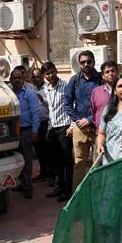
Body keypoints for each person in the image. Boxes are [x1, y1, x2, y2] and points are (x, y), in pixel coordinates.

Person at [64, 50, 103, 189]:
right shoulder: (74, 80)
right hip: (79, 127)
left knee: (98, 163)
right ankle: (78, 197)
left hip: (97, 128)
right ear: (79, 64)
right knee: (78, 163)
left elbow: (105, 105)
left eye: (89, 61)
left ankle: (96, 193)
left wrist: (90, 120)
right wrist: (79, 121)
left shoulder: (101, 79)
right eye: (83, 62)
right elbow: (67, 104)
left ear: (94, 62)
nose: (86, 64)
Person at [41, 62, 74, 202]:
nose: (50, 75)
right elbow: (51, 111)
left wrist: (72, 125)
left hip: (65, 127)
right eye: (47, 73)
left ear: (56, 71)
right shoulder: (45, 89)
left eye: (52, 72)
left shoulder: (66, 86)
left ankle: (68, 190)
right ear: (44, 76)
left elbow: (73, 105)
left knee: (67, 160)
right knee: (57, 161)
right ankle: (60, 186)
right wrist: (49, 128)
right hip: (53, 128)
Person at [9, 68, 40, 199]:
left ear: (23, 80)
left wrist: (35, 131)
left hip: (26, 131)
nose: (16, 80)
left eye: (19, 78)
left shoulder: (30, 93)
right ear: (10, 80)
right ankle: (22, 183)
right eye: (14, 78)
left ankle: (28, 187)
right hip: (12, 133)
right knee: (16, 160)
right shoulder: (8, 93)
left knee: (27, 160)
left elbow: (35, 113)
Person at [30, 67, 54, 182]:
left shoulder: (48, 88)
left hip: (47, 123)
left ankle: (51, 174)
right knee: (39, 151)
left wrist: (41, 99)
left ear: (42, 76)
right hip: (36, 125)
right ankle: (43, 172)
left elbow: (53, 104)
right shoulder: (31, 89)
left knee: (48, 151)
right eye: (34, 76)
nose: (36, 78)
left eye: (38, 75)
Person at [90, 61, 118, 135]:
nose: (110, 74)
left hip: (119, 133)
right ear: (102, 75)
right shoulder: (96, 92)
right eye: (107, 72)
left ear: (117, 73)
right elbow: (93, 112)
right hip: (101, 133)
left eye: (113, 71)